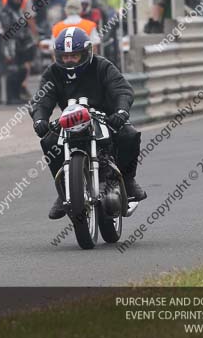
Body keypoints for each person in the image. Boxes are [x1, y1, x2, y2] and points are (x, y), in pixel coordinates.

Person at [31, 27, 146, 219]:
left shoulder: (102, 66)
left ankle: (128, 180)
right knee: (49, 141)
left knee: (129, 135)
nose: (69, 60)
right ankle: (64, 191)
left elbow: (122, 89)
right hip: (69, 119)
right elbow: (41, 99)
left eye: (74, 56)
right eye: (65, 56)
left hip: (106, 117)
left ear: (86, 53)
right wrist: (40, 119)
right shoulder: (52, 73)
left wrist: (121, 111)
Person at [0, 0, 37, 105]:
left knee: (22, 69)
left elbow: (24, 27)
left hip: (20, 44)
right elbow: (6, 27)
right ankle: (10, 97)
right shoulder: (3, 11)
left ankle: (18, 93)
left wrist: (29, 38)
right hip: (8, 43)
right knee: (12, 69)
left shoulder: (18, 11)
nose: (18, 1)